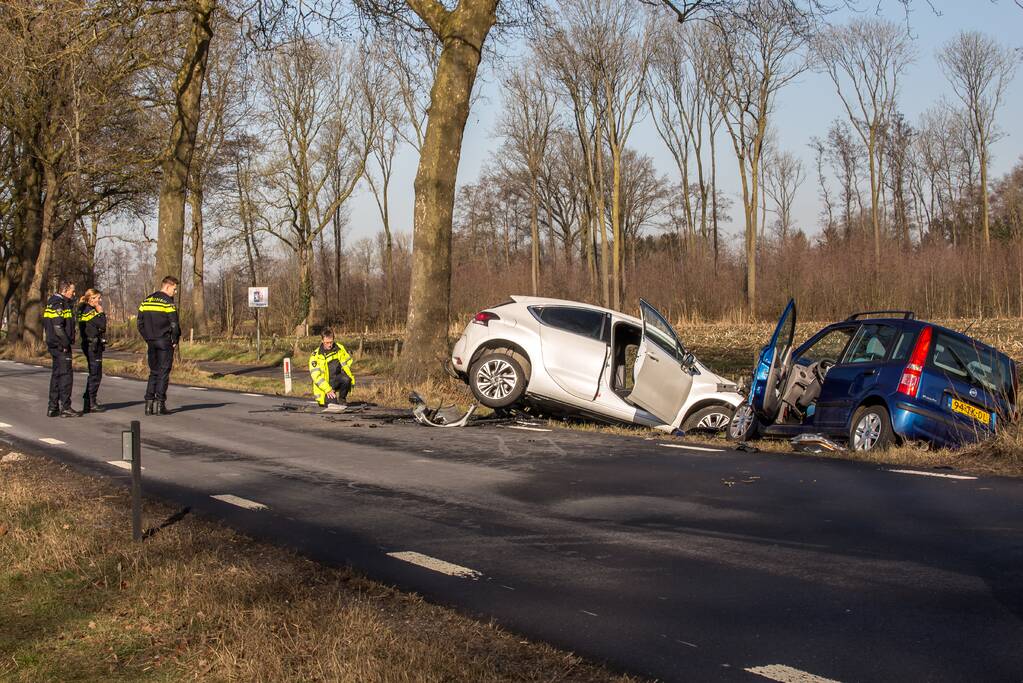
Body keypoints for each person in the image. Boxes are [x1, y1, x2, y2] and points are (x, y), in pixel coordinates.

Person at [137, 276, 181, 416]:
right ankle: (160, 404)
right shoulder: (168, 302)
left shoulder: (147, 300)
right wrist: (175, 339)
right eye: (174, 289)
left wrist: (147, 337)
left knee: (153, 371)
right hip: (164, 341)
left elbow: (140, 323)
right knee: (163, 372)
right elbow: (174, 323)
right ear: (168, 286)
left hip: (151, 341)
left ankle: (148, 404)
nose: (175, 292)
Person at [43, 279, 78, 417]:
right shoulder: (59, 303)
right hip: (60, 345)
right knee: (65, 376)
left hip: (54, 344)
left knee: (56, 375)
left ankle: (53, 407)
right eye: (72, 291)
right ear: (64, 290)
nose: (74, 293)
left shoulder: (51, 302)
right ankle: (65, 407)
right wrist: (65, 343)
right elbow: (58, 326)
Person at [77, 288, 107, 413]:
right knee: (96, 374)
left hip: (88, 344)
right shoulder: (90, 311)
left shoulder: (83, 309)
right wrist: (101, 312)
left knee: (93, 373)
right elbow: (102, 325)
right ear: (91, 298)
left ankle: (88, 401)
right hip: (92, 345)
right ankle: (91, 402)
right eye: (98, 298)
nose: (100, 301)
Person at [309, 328, 355, 409]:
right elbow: (316, 377)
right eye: (327, 343)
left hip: (336, 381)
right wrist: (328, 389)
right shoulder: (315, 356)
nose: (329, 345)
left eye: (331, 342)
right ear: (322, 341)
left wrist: (345, 371)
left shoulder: (339, 348)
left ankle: (342, 399)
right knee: (333, 406)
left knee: (346, 379)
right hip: (324, 387)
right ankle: (329, 399)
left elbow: (348, 360)